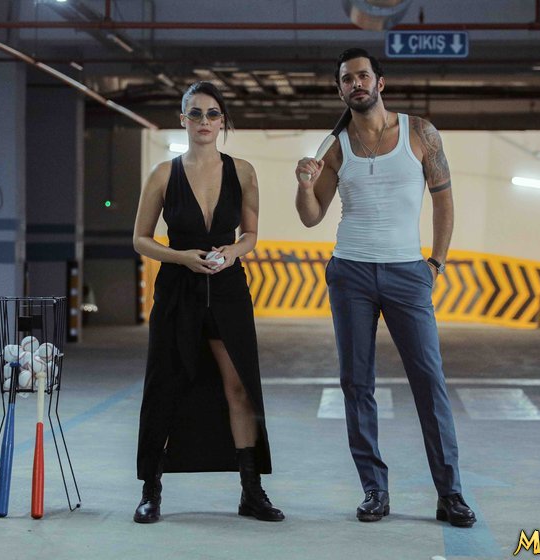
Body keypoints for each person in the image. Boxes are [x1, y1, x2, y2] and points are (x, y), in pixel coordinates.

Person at [294, 48, 476, 528]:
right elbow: (311, 217)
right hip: (350, 273)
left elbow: (444, 201)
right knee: (357, 384)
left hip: (407, 273)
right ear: (340, 90)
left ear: (380, 83)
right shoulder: (335, 148)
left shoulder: (420, 133)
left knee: (429, 382)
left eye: (363, 76)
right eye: (346, 79)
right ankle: (374, 490)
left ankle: (450, 493)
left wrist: (435, 263)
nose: (356, 83)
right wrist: (304, 184)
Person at [132, 81, 284, 524]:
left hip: (229, 288)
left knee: (239, 386)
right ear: (183, 119)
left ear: (222, 122)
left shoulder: (244, 172)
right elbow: (140, 239)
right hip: (178, 290)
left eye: (212, 114)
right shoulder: (163, 174)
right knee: (164, 386)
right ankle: (151, 491)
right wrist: (181, 257)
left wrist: (232, 252)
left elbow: (250, 234)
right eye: (195, 113)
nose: (204, 121)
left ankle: (251, 491)